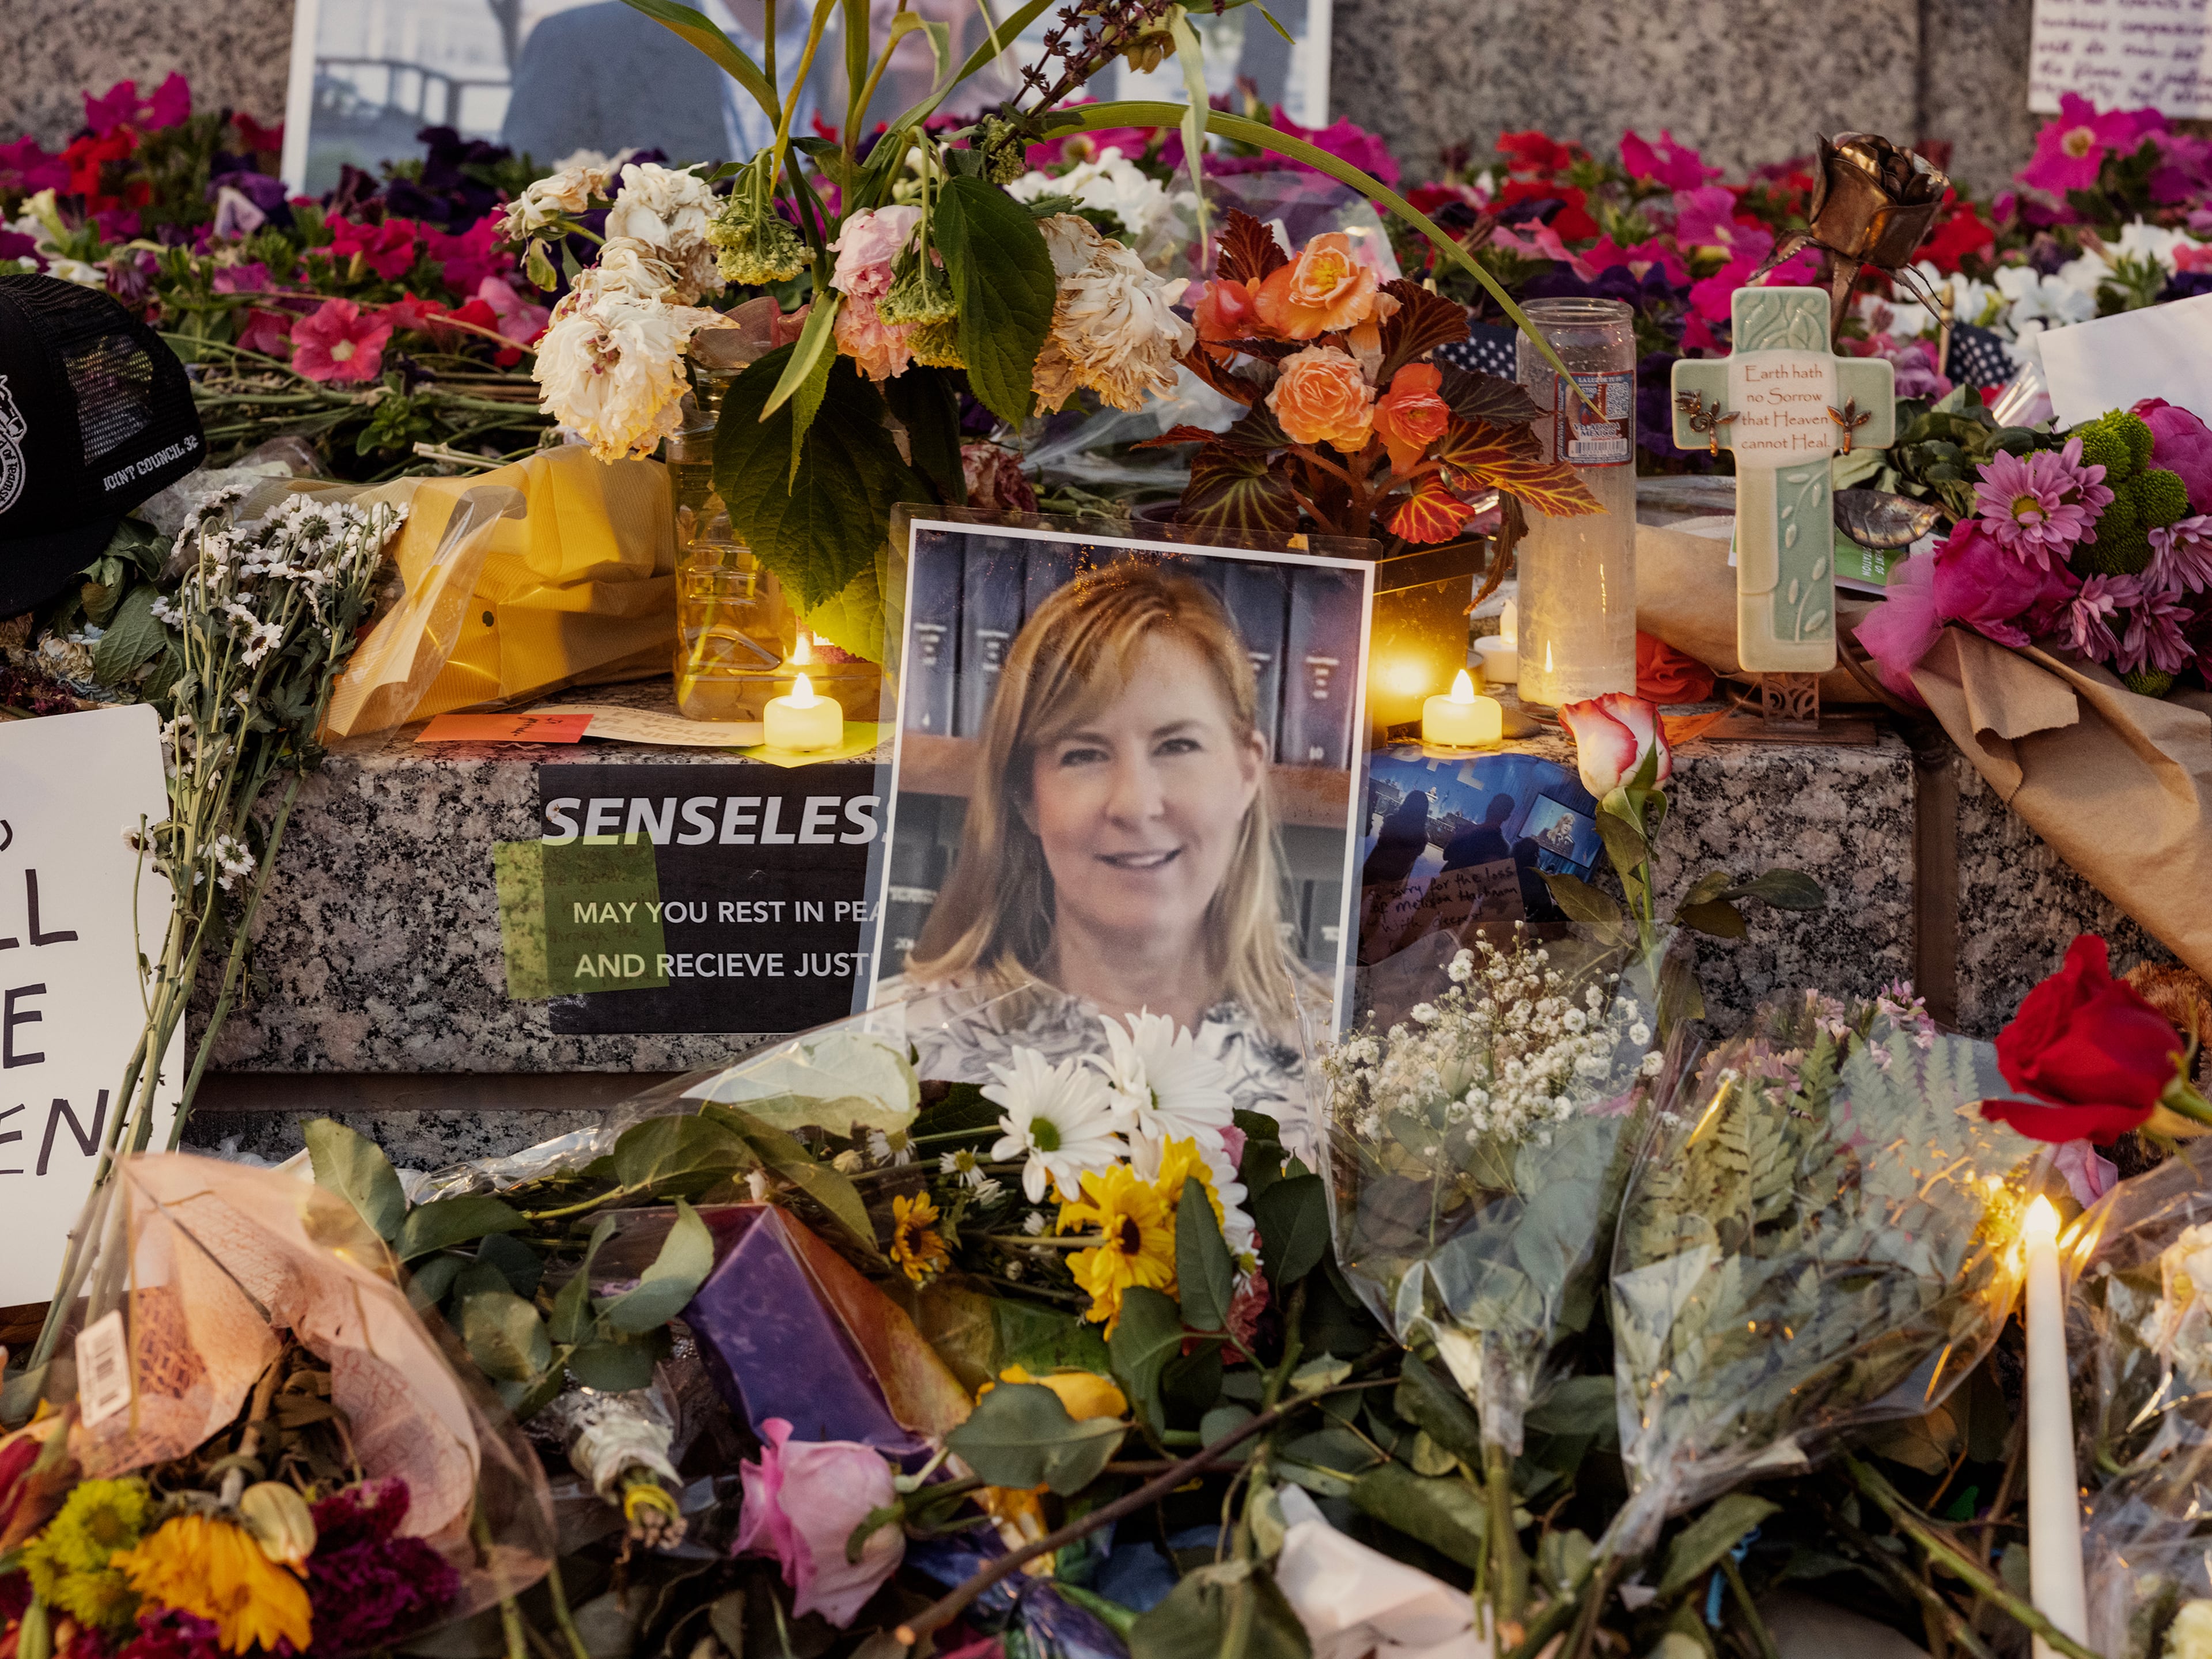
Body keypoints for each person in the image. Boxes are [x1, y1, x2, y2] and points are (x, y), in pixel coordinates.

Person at [878, 559, 1325, 1150]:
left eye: (1177, 745)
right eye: (1084, 754)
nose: (1136, 805)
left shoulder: (1348, 1059)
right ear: (1024, 797)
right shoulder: (894, 1052)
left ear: (1247, 772)